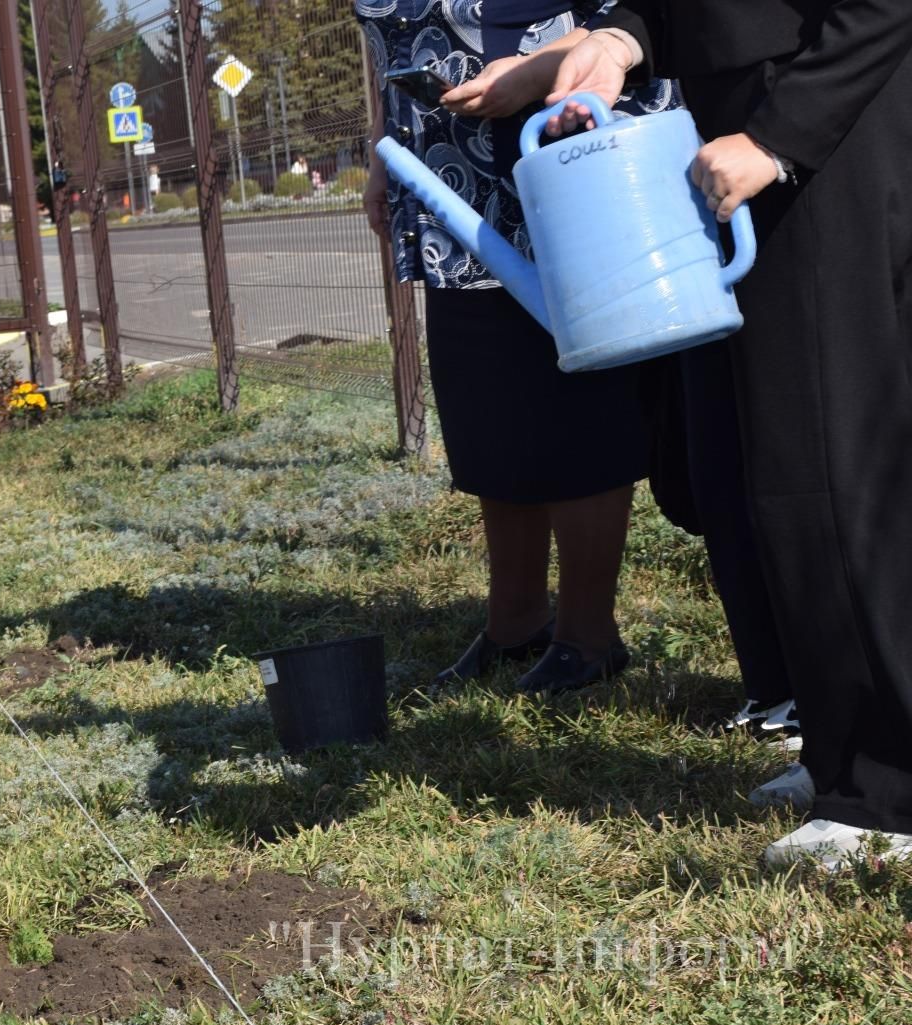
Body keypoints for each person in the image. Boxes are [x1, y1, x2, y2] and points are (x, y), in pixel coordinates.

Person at [546, 3, 912, 868]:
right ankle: (843, 752)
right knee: (787, 464)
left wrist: (781, 136)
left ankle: (886, 794)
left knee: (826, 459)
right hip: (764, 122)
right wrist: (623, 39)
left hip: (822, 126)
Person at [358, 3, 676, 692]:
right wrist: (386, 147)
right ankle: (516, 623)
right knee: (487, 405)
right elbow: (398, 42)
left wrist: (535, 74)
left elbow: (631, 12)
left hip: (561, 149)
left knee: (574, 403)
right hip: (447, 170)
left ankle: (588, 636)